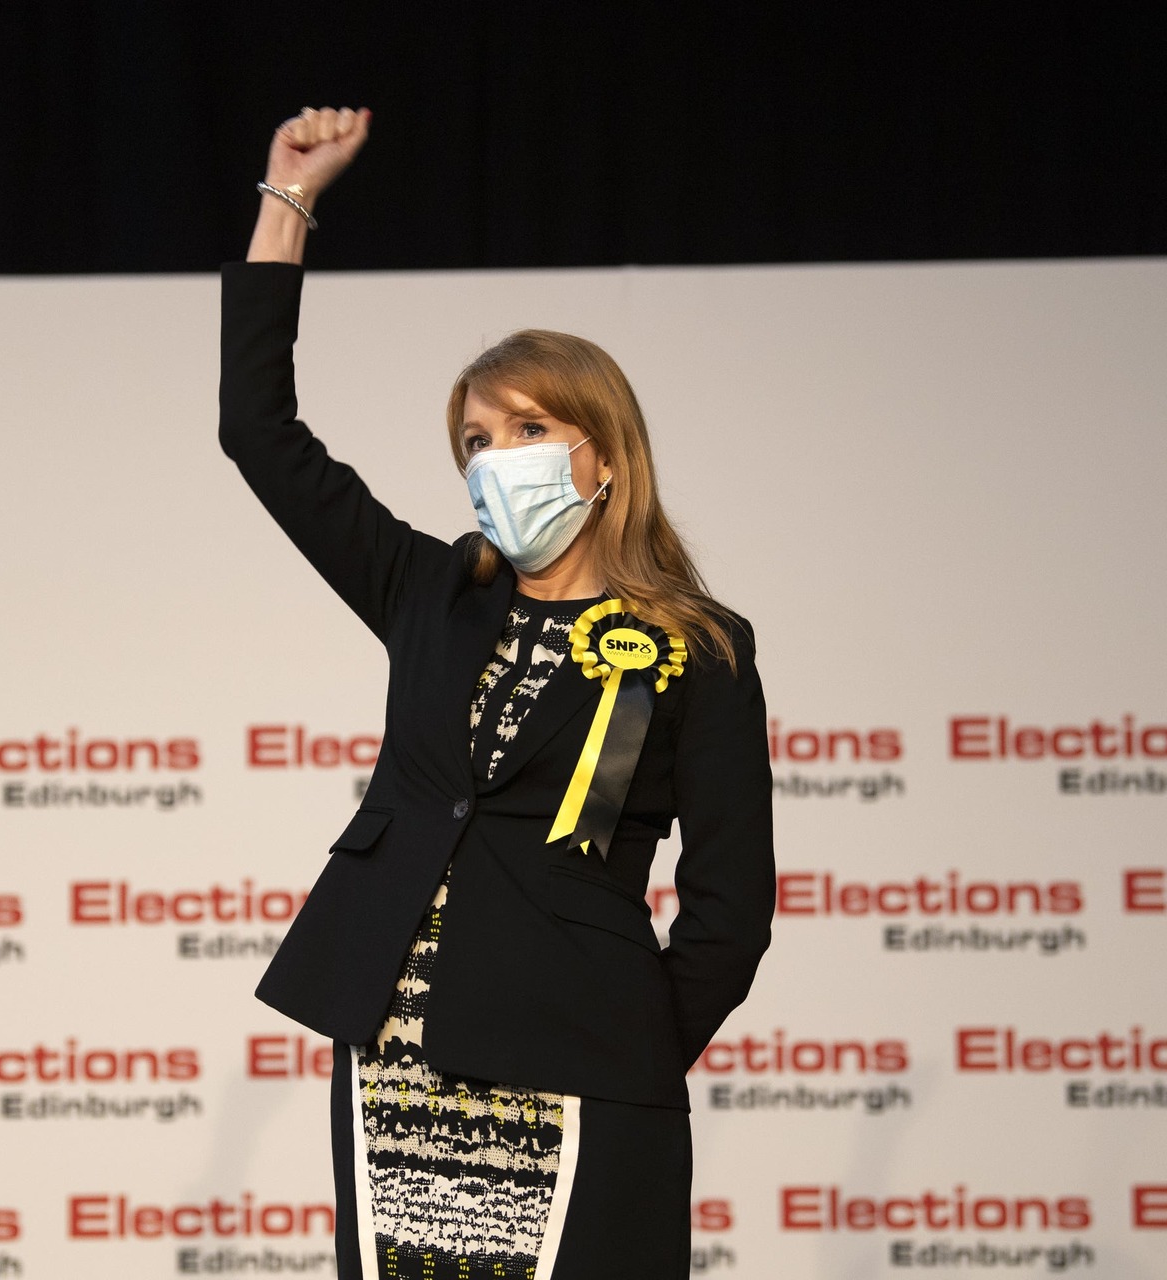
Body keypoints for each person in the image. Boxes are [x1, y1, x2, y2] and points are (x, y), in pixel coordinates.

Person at [220, 105, 775, 1280]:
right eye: (476, 437)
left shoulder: (701, 648)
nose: (497, 456)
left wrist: (623, 1041)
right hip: (398, 1060)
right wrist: (287, 202)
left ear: (605, 451)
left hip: (585, 1072)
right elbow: (258, 431)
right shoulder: (430, 590)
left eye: (530, 425)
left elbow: (731, 910)